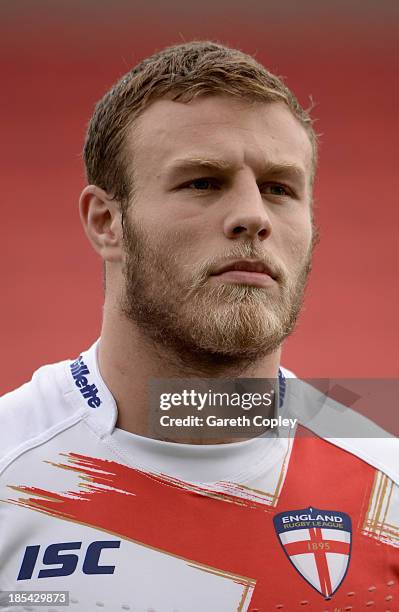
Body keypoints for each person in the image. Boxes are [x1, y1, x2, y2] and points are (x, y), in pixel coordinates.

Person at [0, 41, 397, 611]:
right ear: (107, 222)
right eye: (203, 182)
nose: (254, 216)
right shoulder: (12, 470)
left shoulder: (385, 488)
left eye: (280, 188)